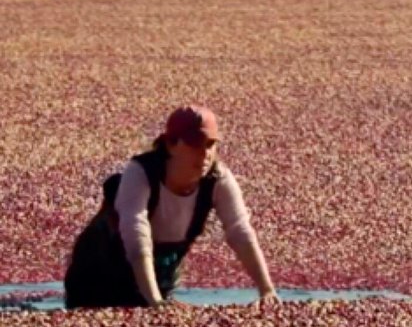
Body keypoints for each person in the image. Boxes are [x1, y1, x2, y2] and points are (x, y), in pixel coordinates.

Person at [64, 106, 279, 309]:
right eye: (195, 144)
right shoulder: (140, 173)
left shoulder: (217, 179)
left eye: (210, 145)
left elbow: (240, 232)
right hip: (98, 274)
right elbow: (136, 235)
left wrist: (267, 290)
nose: (204, 153)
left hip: (159, 275)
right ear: (170, 144)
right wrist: (155, 301)